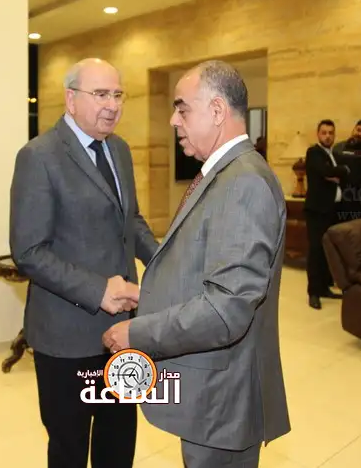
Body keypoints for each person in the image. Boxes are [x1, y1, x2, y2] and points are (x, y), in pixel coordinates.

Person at [102, 60, 290, 468]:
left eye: (182, 109)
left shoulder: (242, 183)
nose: (173, 120)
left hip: (223, 401)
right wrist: (149, 295)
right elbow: (204, 270)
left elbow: (225, 311)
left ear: (217, 110)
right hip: (212, 393)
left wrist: (138, 332)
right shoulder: (223, 174)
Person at [10, 58, 158, 468]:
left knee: (118, 442)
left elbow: (130, 220)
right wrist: (98, 290)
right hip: (66, 336)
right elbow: (29, 251)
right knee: (69, 448)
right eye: (101, 94)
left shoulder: (120, 150)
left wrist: (164, 260)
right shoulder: (39, 156)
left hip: (124, 331)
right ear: (71, 99)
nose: (112, 105)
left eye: (118, 94)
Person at [304, 120, 348, 310]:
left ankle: (324, 288)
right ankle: (313, 292)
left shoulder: (334, 154)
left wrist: (336, 174)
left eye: (331, 133)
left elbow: (338, 175)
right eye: (324, 132)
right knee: (316, 251)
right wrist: (341, 171)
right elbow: (325, 171)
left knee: (327, 251)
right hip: (317, 211)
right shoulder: (314, 152)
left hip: (333, 209)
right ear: (318, 134)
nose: (328, 136)